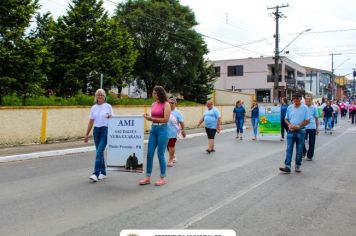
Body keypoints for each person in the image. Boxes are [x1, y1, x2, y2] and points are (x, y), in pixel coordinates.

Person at [139, 86, 171, 186]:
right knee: (149, 154)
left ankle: (162, 177)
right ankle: (148, 177)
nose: (152, 94)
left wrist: (151, 119)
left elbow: (166, 120)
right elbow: (154, 116)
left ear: (159, 93)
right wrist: (148, 115)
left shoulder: (166, 104)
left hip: (163, 130)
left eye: (154, 93)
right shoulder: (153, 104)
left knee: (160, 154)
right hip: (153, 130)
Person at [84, 89, 113, 182]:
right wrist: (86, 134)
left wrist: (110, 117)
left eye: (102, 95)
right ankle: (103, 172)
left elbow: (113, 118)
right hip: (96, 131)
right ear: (96, 97)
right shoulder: (93, 108)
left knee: (99, 152)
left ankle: (95, 173)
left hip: (105, 130)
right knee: (99, 152)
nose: (100, 96)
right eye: (98, 95)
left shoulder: (108, 106)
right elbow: (91, 121)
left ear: (105, 97)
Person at [279, 93, 310, 173]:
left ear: (300, 99)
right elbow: (286, 118)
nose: (295, 100)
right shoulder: (289, 107)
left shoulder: (305, 108)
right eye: (294, 98)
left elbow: (307, 120)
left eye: (297, 98)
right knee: (289, 149)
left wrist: (298, 126)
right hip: (291, 130)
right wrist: (289, 125)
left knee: (299, 150)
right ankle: (287, 166)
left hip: (301, 130)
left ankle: (297, 165)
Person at [167, 97, 186, 167]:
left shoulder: (178, 112)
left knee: (171, 146)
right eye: (169, 103)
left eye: (172, 103)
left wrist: (183, 131)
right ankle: (173, 156)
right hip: (165, 132)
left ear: (175, 103)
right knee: (167, 146)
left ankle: (170, 160)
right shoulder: (166, 110)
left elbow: (181, 122)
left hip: (173, 132)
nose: (170, 104)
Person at [303, 95, 319, 161]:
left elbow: (316, 118)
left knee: (312, 142)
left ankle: (310, 156)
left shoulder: (314, 108)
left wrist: (317, 128)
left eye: (309, 100)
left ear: (311, 100)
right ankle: (304, 152)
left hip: (312, 127)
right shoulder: (303, 108)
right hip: (304, 127)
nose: (308, 102)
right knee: (301, 141)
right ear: (305, 101)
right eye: (306, 101)